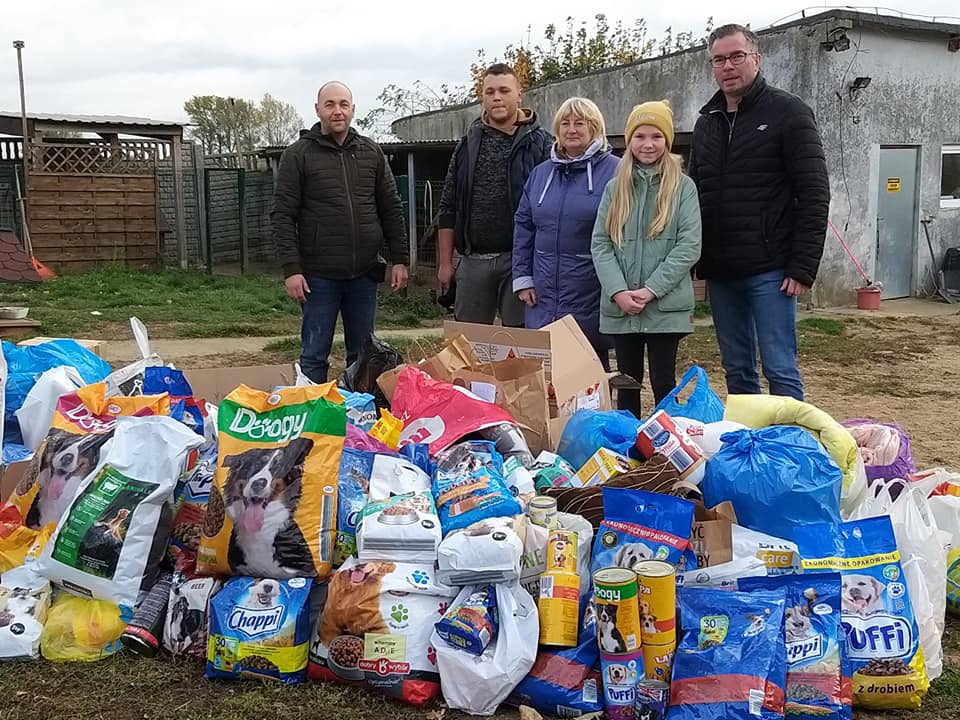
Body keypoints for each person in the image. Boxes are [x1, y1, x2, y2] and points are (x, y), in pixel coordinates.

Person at [688, 23, 830, 400]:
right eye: (719, 59)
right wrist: (694, 260)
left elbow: (814, 192)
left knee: (779, 367)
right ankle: (750, 451)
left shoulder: (789, 112)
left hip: (773, 270)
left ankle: (790, 449)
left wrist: (803, 266)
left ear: (757, 59)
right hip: (722, 272)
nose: (728, 66)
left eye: (737, 56)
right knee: (737, 369)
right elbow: (693, 196)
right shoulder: (707, 124)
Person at [272, 81, 409, 383]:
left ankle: (358, 418)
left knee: (363, 355)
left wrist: (400, 258)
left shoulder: (370, 152)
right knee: (314, 354)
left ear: (353, 109)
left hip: (364, 274)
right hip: (318, 277)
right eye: (330, 104)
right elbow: (283, 215)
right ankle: (311, 422)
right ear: (318, 109)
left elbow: (391, 207)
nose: (337, 111)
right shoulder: (298, 155)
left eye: (343, 104)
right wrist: (291, 270)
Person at [591, 101, 702, 418]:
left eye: (656, 136)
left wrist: (652, 289)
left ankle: (667, 448)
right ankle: (630, 448)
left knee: (664, 381)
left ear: (667, 141)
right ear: (629, 141)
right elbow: (601, 244)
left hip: (665, 306)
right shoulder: (615, 189)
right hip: (621, 306)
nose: (648, 144)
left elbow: (689, 246)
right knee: (626, 382)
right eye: (640, 136)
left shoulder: (683, 188)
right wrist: (618, 291)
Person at [436, 63, 552, 326]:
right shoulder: (467, 145)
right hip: (474, 259)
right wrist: (445, 263)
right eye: (490, 92)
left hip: (522, 261)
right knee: (466, 344)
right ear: (483, 97)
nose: (497, 97)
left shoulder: (543, 144)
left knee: (521, 342)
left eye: (504, 90)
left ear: (519, 94)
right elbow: (447, 207)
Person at [512, 97, 619, 367]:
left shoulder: (616, 171)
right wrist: (523, 277)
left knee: (588, 365)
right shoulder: (540, 174)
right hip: (543, 289)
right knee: (545, 367)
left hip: (590, 286)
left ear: (595, 128)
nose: (571, 130)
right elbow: (524, 225)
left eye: (579, 123)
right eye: (565, 123)